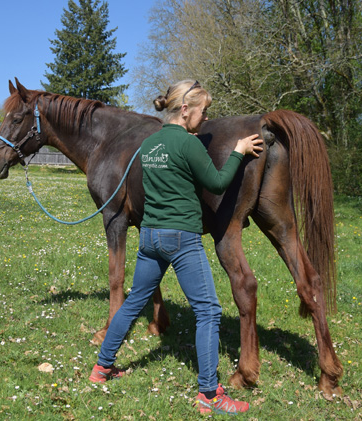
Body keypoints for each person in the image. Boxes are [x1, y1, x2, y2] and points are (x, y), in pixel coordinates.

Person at [89, 80, 263, 416]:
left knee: (133, 301)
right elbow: (217, 183)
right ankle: (210, 393)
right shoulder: (189, 145)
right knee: (209, 311)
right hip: (181, 238)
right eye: (203, 110)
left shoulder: (149, 144)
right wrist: (239, 152)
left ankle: (102, 368)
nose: (206, 116)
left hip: (150, 237)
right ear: (185, 109)